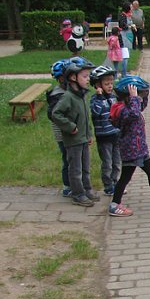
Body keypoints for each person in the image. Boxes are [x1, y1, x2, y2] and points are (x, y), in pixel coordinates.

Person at [107, 75, 150, 217]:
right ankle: (114, 205)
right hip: (131, 150)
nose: (138, 99)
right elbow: (134, 113)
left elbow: (140, 107)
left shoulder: (130, 106)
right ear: (128, 95)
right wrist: (134, 97)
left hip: (139, 149)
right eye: (138, 94)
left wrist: (144, 94)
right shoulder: (123, 110)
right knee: (125, 178)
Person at [51, 57, 100, 207]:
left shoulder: (82, 96)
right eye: (84, 77)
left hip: (83, 138)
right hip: (73, 140)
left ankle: (87, 189)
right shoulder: (68, 97)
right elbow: (56, 114)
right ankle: (77, 194)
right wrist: (70, 126)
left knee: (85, 167)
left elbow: (85, 117)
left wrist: (89, 133)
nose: (87, 80)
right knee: (76, 169)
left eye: (88, 76)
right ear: (73, 77)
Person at [90, 66, 121, 195]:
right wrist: (100, 97)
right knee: (107, 163)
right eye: (106, 84)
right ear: (98, 85)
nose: (109, 86)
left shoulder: (114, 97)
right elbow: (96, 113)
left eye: (111, 83)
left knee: (117, 162)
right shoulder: (95, 100)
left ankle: (116, 183)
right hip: (104, 137)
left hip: (115, 135)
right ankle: (108, 186)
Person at [46, 58, 72, 197]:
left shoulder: (70, 91)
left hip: (72, 133)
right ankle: (67, 186)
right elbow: (53, 115)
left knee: (73, 159)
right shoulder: (57, 95)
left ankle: (75, 183)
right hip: (63, 134)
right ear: (61, 78)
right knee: (67, 159)